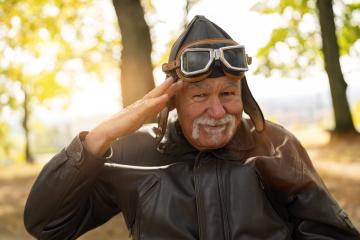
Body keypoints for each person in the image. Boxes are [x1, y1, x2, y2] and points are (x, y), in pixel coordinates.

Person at [24, 15, 360, 240]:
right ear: (171, 100)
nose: (217, 111)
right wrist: (101, 136)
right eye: (199, 96)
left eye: (228, 93)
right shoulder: (137, 153)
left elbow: (331, 233)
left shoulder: (274, 145)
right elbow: (46, 224)